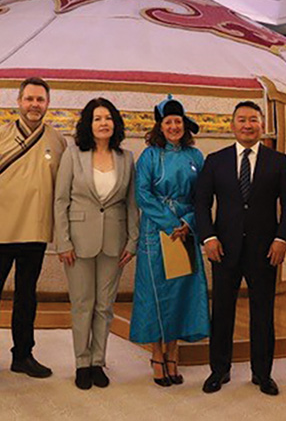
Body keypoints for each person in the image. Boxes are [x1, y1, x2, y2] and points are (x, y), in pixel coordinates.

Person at [0, 77, 67, 396]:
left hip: (35, 229)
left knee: (27, 296)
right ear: (18, 101)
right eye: (29, 99)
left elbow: (62, 187)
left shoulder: (56, 139)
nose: (34, 105)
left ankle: (22, 355)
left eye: (40, 100)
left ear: (48, 103)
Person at [196, 100, 286, 396]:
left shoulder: (279, 161)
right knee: (223, 313)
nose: (247, 125)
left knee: (263, 313)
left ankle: (262, 374)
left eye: (253, 120)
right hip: (223, 250)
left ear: (262, 125)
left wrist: (282, 240)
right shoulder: (215, 160)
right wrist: (208, 237)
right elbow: (201, 203)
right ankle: (219, 370)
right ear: (232, 125)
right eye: (241, 120)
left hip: (266, 251)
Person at [54, 97, 139, 390]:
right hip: (77, 241)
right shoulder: (73, 154)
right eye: (97, 118)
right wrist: (62, 240)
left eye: (108, 118)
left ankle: (97, 362)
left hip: (114, 242)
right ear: (88, 124)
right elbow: (61, 200)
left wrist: (133, 241)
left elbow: (131, 203)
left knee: (105, 306)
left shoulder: (126, 157)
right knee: (82, 304)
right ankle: (81, 362)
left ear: (114, 124)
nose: (103, 123)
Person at [129, 96, 210, 387]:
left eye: (178, 122)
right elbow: (143, 195)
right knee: (155, 294)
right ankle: (157, 356)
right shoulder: (150, 156)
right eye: (168, 122)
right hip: (157, 231)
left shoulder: (195, 156)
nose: (173, 126)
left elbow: (202, 196)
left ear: (184, 125)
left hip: (186, 231)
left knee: (180, 294)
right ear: (160, 127)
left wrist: (188, 222)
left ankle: (174, 354)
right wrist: (171, 223)